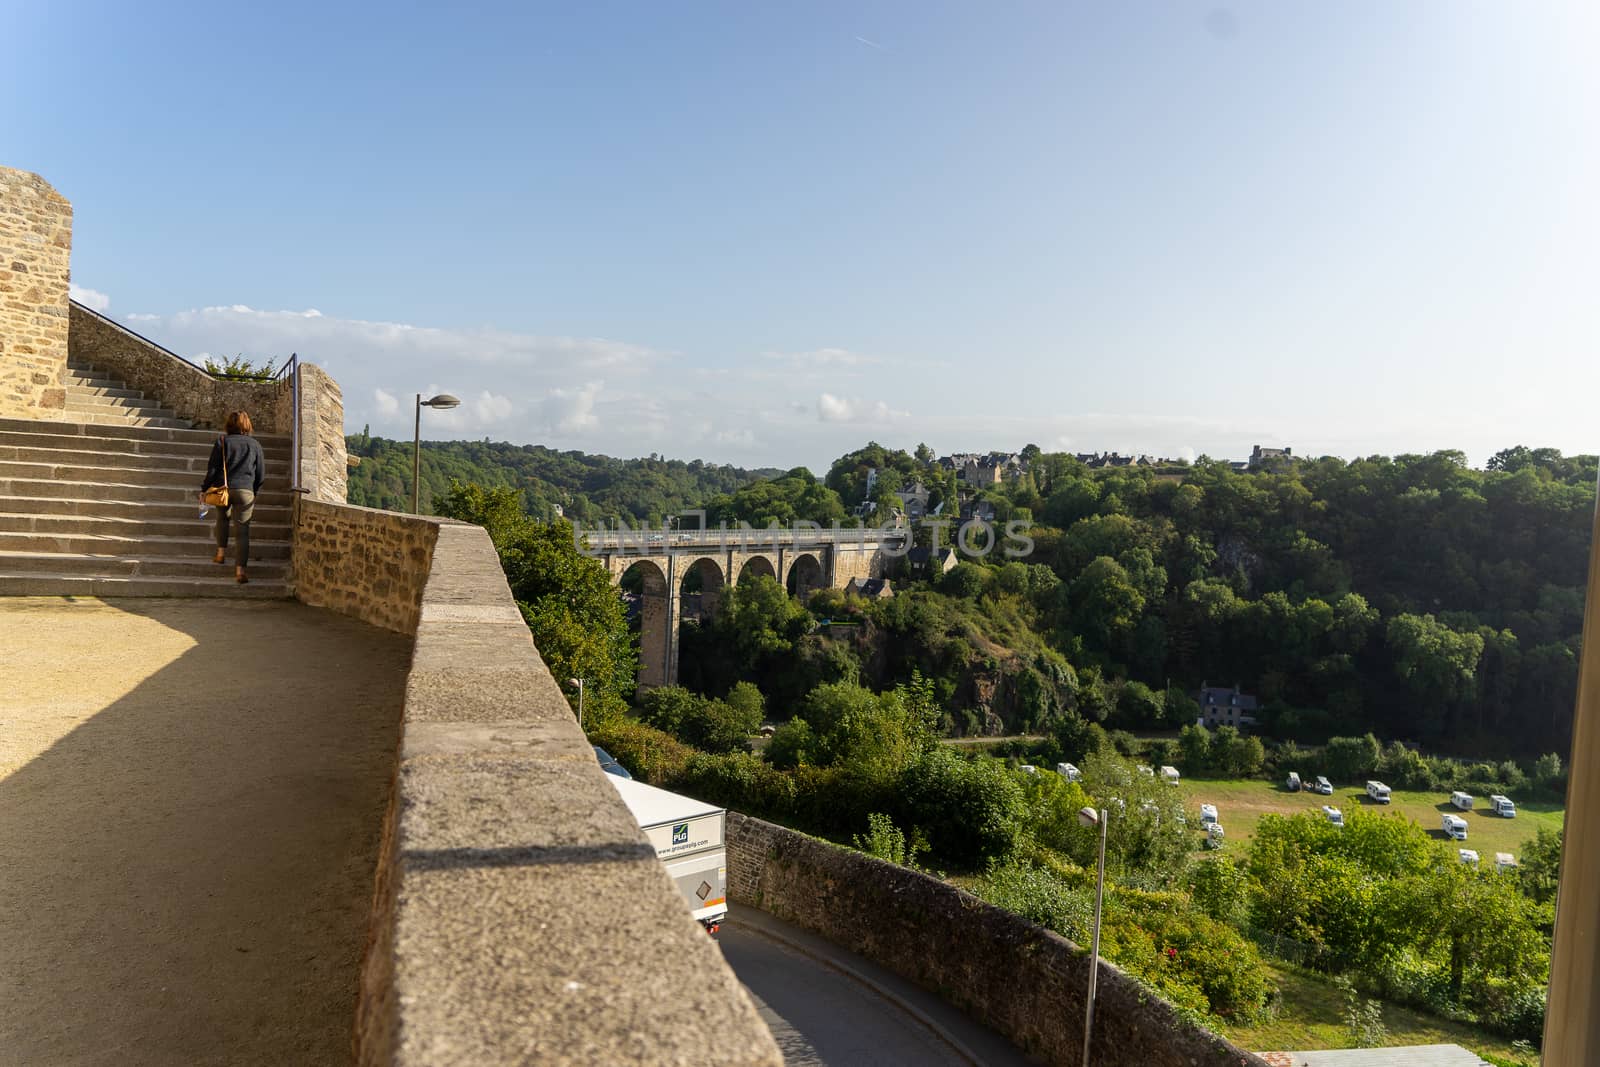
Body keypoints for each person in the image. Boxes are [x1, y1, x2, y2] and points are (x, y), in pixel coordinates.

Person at [200, 410, 266, 584]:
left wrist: (205, 489)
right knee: (242, 532)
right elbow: (260, 474)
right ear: (247, 424)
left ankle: (221, 554)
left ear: (229, 424)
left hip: (223, 489)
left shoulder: (222, 441)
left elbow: (212, 470)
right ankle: (240, 571)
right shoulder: (255, 445)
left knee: (222, 518)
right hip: (245, 491)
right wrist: (254, 491)